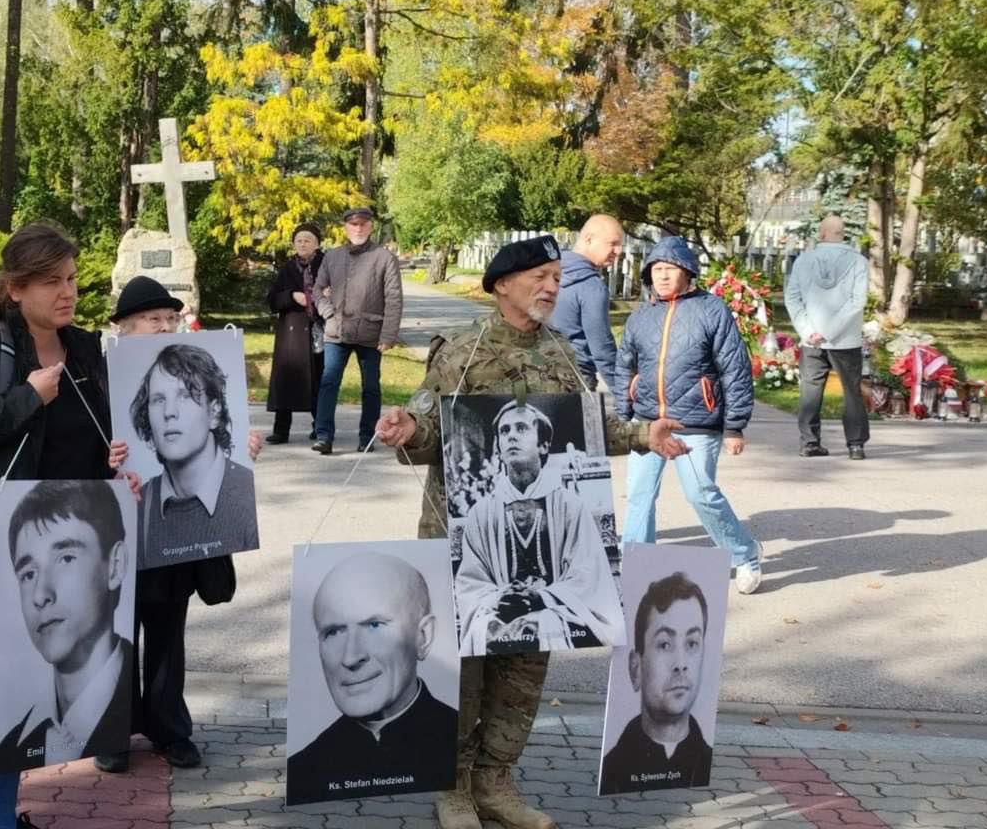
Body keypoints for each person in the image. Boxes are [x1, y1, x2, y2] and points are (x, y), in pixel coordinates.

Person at [373, 235, 685, 829]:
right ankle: (455, 788)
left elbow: (587, 429)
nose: (550, 287)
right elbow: (428, 428)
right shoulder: (460, 351)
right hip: (464, 541)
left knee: (523, 669)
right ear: (501, 285)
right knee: (465, 667)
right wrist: (406, 428)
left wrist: (643, 435)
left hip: (546, 548)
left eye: (556, 278)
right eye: (539, 276)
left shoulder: (561, 354)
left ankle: (497, 783)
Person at [0, 222, 118, 829]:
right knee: (14, 684)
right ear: (15, 289)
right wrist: (28, 398)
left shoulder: (84, 347)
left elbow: (91, 437)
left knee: (31, 682)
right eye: (52, 282)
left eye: (73, 279)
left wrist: (115, 464)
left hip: (69, 543)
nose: (68, 293)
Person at [95, 276, 255, 775]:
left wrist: (243, 446)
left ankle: (169, 728)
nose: (164, 327)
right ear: (122, 328)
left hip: (176, 531)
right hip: (118, 524)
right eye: (151, 320)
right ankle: (113, 731)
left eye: (170, 319)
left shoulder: (193, 370)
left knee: (167, 630)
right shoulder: (99, 375)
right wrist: (102, 458)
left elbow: (214, 443)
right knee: (116, 633)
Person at [617, 237, 765, 596]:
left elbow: (735, 369)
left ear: (687, 272)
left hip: (696, 422)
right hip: (648, 423)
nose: (663, 276)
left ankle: (745, 556)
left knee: (701, 493)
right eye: (656, 269)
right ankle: (638, 568)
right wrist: (624, 416)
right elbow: (625, 366)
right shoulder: (641, 316)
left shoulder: (711, 310)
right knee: (639, 496)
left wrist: (734, 426)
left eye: (670, 269)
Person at [0, 480, 135, 773]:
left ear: (115, 565)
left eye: (66, 558)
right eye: (28, 574)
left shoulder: (135, 706)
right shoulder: (8, 751)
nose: (42, 594)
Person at [286, 552, 456, 804]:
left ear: (423, 636)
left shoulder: (460, 748)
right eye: (333, 631)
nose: (351, 657)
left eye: (374, 625)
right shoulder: (303, 771)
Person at [455, 401, 621, 654]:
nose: (511, 436)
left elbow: (587, 576)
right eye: (504, 431)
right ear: (498, 447)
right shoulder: (481, 513)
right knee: (484, 630)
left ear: (543, 445)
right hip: (499, 611)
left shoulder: (570, 506)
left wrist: (541, 597)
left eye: (521, 428)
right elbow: (471, 582)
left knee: (543, 624)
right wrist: (499, 598)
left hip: (559, 610)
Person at [128, 343, 258, 565]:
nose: (169, 412)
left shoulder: (244, 494)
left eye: (185, 395)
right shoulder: (138, 502)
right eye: (159, 400)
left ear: (214, 411)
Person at [599, 572, 714, 794]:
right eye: (664, 645)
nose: (681, 664)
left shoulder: (705, 762)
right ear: (636, 666)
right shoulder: (612, 771)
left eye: (692, 643)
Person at [313, 206, 403, 454]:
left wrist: (388, 335)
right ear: (345, 228)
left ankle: (368, 437)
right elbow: (318, 290)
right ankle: (323, 436)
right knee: (329, 382)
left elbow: (394, 299)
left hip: (371, 334)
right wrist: (328, 313)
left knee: (371, 387)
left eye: (363, 224)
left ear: (371, 227)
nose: (358, 228)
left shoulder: (385, 258)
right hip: (336, 332)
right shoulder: (332, 257)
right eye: (354, 224)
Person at [785, 215, 871, 460]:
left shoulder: (804, 261)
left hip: (811, 339)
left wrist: (808, 330)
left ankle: (809, 443)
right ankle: (856, 445)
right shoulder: (858, 262)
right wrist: (831, 331)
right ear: (842, 234)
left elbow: (793, 298)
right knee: (851, 391)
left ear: (822, 234)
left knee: (810, 390)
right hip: (846, 339)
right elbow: (857, 302)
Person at [547, 214, 625, 395]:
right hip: (576, 377)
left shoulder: (544, 275)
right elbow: (602, 348)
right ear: (588, 239)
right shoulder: (592, 288)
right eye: (612, 243)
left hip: (538, 373)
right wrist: (622, 392)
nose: (618, 251)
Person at [265, 223, 325, 443]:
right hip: (291, 333)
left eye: (307, 239)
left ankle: (321, 427)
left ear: (317, 243)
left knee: (319, 379)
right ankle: (281, 430)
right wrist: (291, 296)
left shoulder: (326, 265)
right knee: (286, 378)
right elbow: (272, 299)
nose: (302, 244)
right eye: (299, 240)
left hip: (319, 330)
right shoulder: (287, 268)